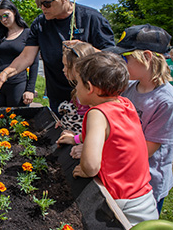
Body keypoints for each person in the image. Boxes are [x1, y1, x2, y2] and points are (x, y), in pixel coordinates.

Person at [0, 0, 115, 116]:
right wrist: (5, 74)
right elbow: (27, 57)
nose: (42, 8)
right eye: (40, 4)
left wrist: (85, 49)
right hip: (58, 95)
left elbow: (112, 58)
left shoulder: (91, 18)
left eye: (47, 3)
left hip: (91, 97)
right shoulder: (40, 24)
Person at [66, 52, 158, 225]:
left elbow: (92, 166)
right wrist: (76, 139)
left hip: (121, 204)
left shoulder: (97, 114)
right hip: (144, 198)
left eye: (77, 82)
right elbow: (115, 138)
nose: (75, 88)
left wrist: (85, 170)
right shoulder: (125, 104)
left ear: (90, 87)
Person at [106, 24, 173, 215]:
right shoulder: (130, 87)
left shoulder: (166, 101)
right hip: (124, 174)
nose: (122, 62)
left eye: (126, 58)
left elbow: (147, 149)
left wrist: (103, 151)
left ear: (147, 57)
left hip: (149, 182)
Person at [0, 0, 39, 107]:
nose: (3, 20)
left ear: (14, 12)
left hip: (17, 84)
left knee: (17, 120)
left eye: (6, 15)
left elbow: (34, 63)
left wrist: (30, 89)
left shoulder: (27, 33)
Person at [56, 41, 98, 159]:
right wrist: (65, 121)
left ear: (78, 66)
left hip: (86, 147)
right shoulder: (78, 88)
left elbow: (93, 129)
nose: (63, 70)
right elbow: (74, 111)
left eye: (67, 66)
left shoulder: (91, 94)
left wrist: (75, 138)